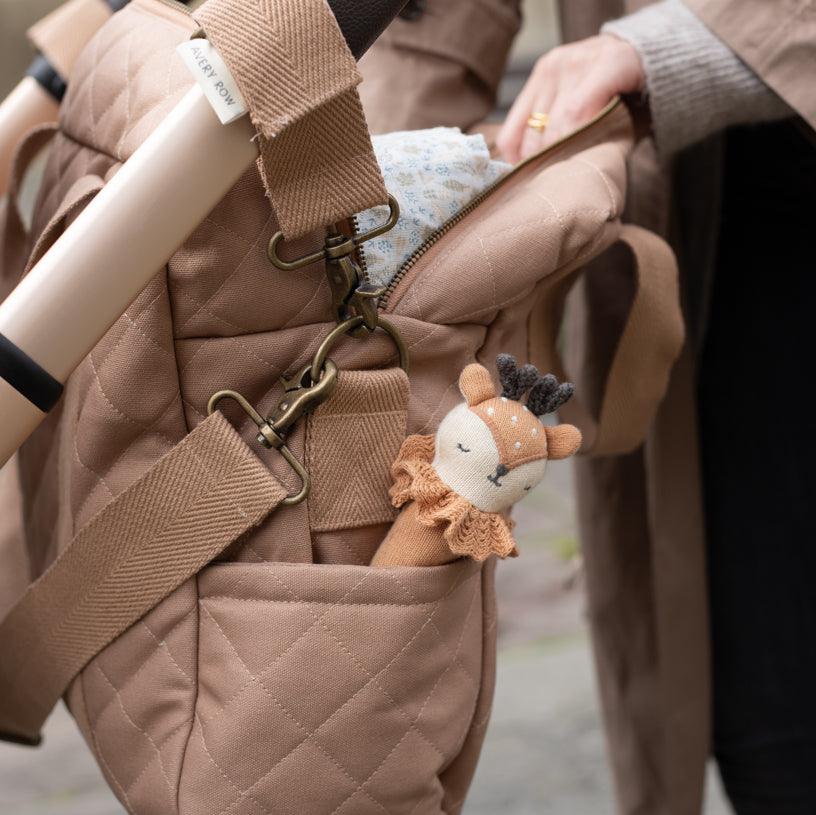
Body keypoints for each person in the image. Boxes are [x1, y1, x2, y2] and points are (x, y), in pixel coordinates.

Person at [360, 1, 816, 813]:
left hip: (751, 151)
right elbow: (431, 40)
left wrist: (691, 46)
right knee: (759, 710)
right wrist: (371, 220)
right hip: (711, 264)